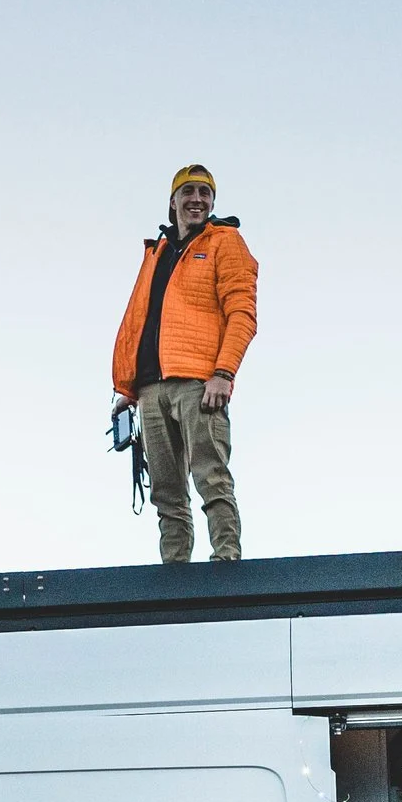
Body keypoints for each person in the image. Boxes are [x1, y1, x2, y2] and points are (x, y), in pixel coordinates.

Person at [110, 163, 259, 563]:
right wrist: (127, 388)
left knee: (210, 476)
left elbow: (242, 313)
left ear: (212, 202)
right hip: (150, 389)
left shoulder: (226, 242)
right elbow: (139, 319)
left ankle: (226, 561)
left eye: (205, 193)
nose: (197, 199)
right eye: (188, 191)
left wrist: (223, 374)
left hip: (199, 383)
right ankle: (174, 576)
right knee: (166, 492)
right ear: (172, 201)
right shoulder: (157, 251)